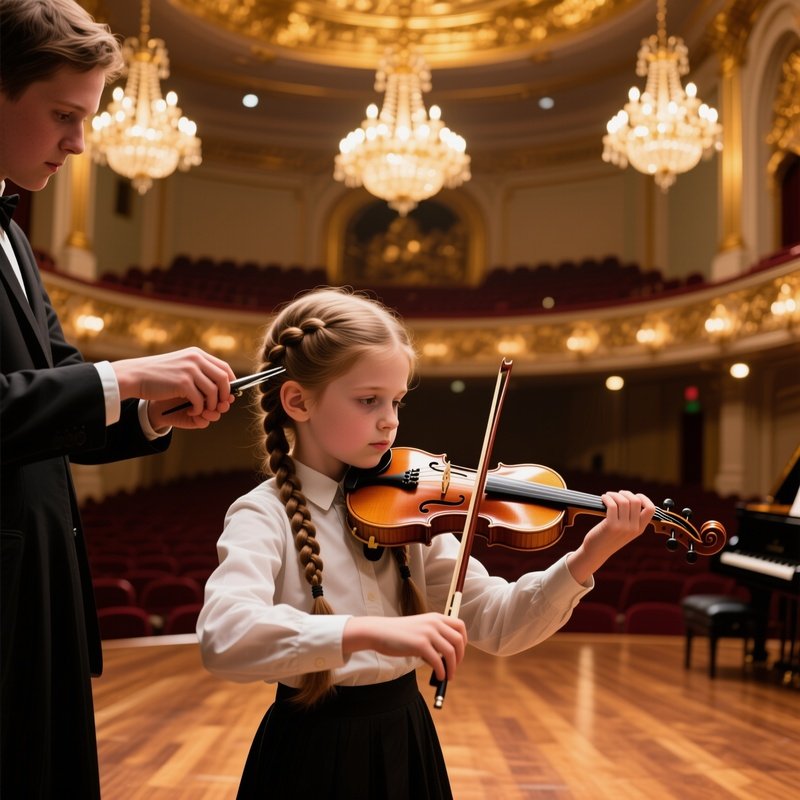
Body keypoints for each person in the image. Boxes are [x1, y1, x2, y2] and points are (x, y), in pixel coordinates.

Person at [197, 287, 656, 799]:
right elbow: (224, 637)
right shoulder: (263, 514)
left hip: (405, 739)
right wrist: (370, 632)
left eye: (396, 401)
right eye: (369, 400)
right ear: (298, 401)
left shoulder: (409, 510)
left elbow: (500, 623)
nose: (390, 420)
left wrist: (590, 554)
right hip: (308, 752)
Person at [0, 1, 237, 796]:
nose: (78, 142)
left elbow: (61, 392)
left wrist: (150, 413)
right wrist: (129, 375)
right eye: (62, 115)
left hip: (38, 592)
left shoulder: (13, 237)